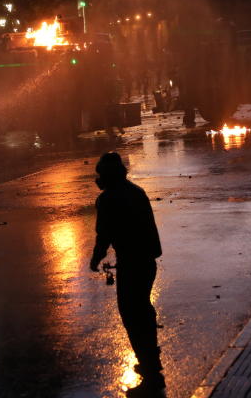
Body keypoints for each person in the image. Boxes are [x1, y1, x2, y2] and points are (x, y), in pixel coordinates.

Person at [89, 152, 165, 395]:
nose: (98, 179)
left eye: (100, 175)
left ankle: (151, 375)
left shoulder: (108, 199)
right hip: (147, 262)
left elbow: (104, 235)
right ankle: (152, 367)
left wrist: (96, 258)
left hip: (131, 265)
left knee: (133, 317)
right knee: (143, 312)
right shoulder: (136, 191)